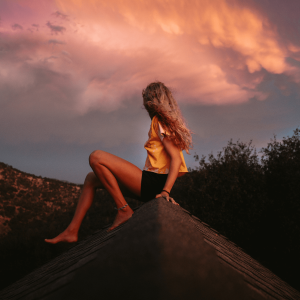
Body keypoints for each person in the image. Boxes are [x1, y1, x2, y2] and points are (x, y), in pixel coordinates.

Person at [45, 82, 192, 244]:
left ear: (152, 101)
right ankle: (71, 231)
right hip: (151, 182)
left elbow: (176, 160)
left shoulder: (161, 121)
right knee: (91, 179)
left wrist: (165, 191)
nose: (144, 104)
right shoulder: (164, 122)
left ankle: (123, 209)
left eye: (146, 99)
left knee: (96, 157)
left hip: (154, 184)